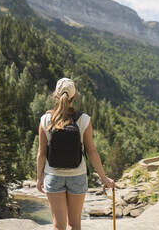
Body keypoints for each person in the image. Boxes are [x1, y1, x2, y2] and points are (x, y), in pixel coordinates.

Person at [36, 77, 115, 230]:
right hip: (77, 175)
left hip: (53, 175)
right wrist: (103, 177)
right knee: (75, 224)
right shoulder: (83, 119)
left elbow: (41, 153)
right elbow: (91, 151)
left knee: (58, 226)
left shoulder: (45, 120)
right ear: (74, 97)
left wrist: (39, 178)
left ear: (55, 96)